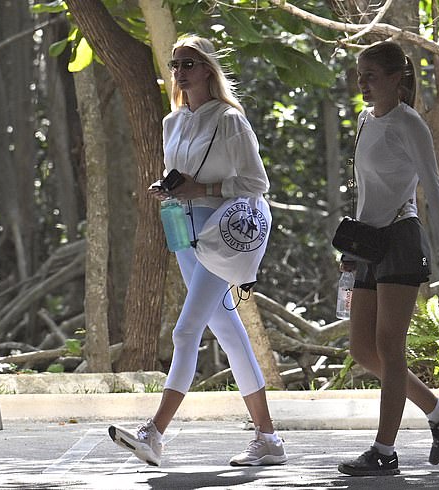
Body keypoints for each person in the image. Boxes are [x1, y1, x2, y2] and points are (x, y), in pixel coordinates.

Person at [108, 35, 286, 467]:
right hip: (182, 234)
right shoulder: (173, 122)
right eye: (175, 64)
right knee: (228, 332)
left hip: (220, 236)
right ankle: (269, 438)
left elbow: (257, 184)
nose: (181, 71)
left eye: (189, 63)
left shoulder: (230, 120)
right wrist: (168, 188)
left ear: (208, 69)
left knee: (185, 332)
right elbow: (178, 177)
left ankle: (154, 432)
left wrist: (201, 188)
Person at [336, 41, 439, 477]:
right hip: (368, 243)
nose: (363, 84)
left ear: (396, 78)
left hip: (401, 239)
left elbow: (435, 187)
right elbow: (366, 192)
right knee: (362, 350)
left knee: (390, 348)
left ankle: (384, 451)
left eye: (371, 75)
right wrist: (352, 250)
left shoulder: (410, 123)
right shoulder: (364, 121)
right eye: (360, 76)